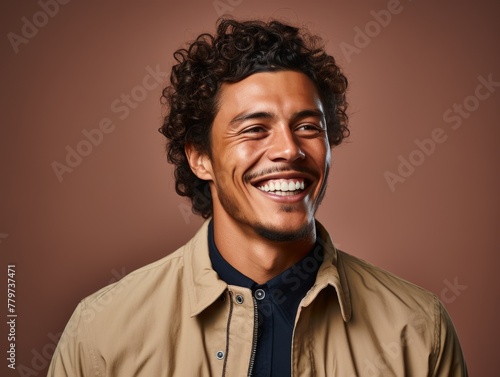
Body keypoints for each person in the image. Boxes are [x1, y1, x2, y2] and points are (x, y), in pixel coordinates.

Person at [47, 18, 468, 376]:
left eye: (308, 127)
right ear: (200, 158)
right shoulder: (101, 330)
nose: (289, 149)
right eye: (254, 128)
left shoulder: (418, 329)